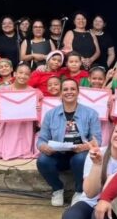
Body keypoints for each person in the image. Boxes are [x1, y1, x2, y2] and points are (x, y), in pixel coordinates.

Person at [37, 78, 102, 207]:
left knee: (80, 159)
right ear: (61, 93)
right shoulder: (50, 114)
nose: (69, 92)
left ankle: (79, 191)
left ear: (78, 92)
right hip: (58, 154)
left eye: (73, 89)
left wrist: (85, 147)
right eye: (65, 89)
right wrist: (43, 147)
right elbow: (41, 139)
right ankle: (57, 189)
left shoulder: (91, 113)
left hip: (80, 154)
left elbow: (97, 140)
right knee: (42, 160)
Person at [0, 63, 39, 160]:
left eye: (26, 74)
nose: (23, 76)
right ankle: (5, 151)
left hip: (25, 124)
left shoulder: (34, 93)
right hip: (8, 123)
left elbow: (40, 109)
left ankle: (24, 151)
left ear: (30, 77)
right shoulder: (4, 90)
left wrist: (38, 108)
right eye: (20, 72)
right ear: (14, 74)